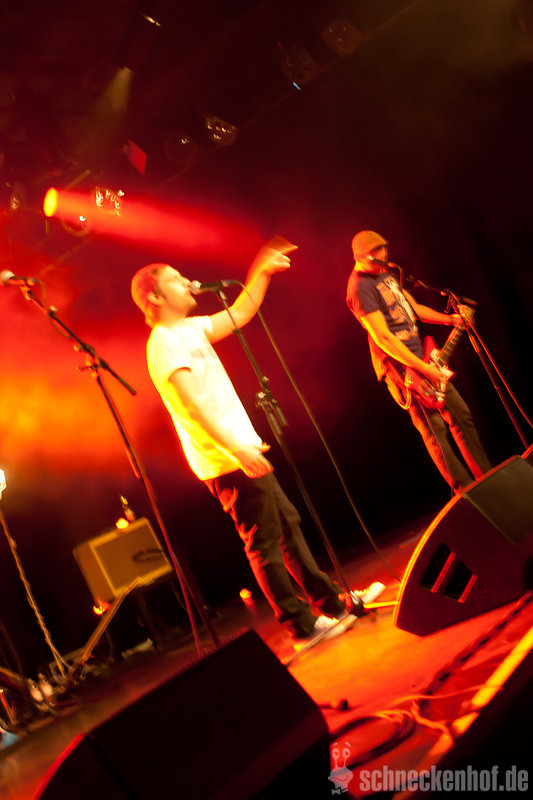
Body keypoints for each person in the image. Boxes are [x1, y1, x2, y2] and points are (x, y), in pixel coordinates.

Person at [131, 240, 383, 645]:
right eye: (175, 280)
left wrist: (260, 271)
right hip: (225, 459)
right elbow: (191, 404)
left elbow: (240, 313)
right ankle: (300, 626)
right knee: (264, 543)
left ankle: (332, 605)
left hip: (240, 450)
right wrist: (235, 448)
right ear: (155, 298)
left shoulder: (189, 329)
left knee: (288, 527)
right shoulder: (163, 343)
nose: (187, 282)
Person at [346, 230, 491, 491]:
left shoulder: (384, 273)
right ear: (362, 258)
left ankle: (488, 480)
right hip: (401, 369)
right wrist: (423, 368)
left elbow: (414, 308)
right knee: (435, 432)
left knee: (461, 416)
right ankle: (467, 493)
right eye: (377, 255)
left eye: (384, 251)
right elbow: (383, 338)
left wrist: (451, 320)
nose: (384, 257)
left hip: (423, 356)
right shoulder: (359, 288)